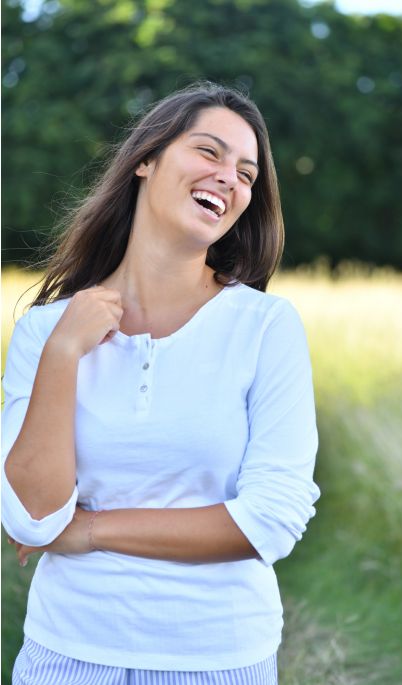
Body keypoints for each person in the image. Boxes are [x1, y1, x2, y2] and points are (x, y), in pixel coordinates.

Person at [2, 81, 320, 685]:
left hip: (218, 660)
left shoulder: (265, 327)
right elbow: (32, 519)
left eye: (248, 174)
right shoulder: (47, 332)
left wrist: (90, 530)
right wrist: (66, 351)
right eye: (210, 152)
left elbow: (270, 519)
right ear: (145, 159)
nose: (230, 178)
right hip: (65, 655)